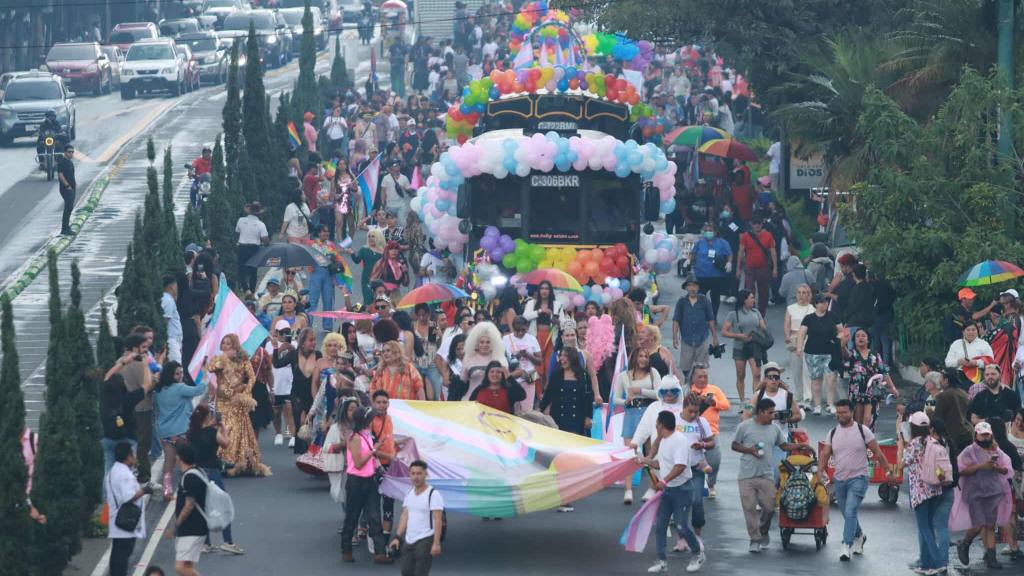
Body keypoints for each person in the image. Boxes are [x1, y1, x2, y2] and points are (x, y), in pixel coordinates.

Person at [819, 399, 894, 561]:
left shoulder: (863, 431)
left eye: (844, 412)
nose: (840, 415)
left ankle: (846, 544)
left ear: (852, 412)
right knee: (848, 514)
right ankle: (859, 535)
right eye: (838, 413)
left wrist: (888, 471)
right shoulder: (832, 433)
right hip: (839, 480)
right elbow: (825, 455)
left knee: (850, 510)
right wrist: (819, 473)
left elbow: (878, 452)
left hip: (859, 478)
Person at [731, 398, 806, 553]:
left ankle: (763, 531)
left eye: (774, 412)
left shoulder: (775, 429)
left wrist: (800, 445)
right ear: (760, 412)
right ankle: (754, 539)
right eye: (770, 413)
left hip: (766, 475)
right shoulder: (744, 427)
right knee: (749, 508)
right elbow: (734, 445)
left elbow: (783, 445)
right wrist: (750, 450)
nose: (773, 416)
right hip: (746, 475)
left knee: (769, 507)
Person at [641, 411, 706, 574]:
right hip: (668, 490)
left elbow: (680, 466)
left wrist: (663, 481)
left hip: (682, 490)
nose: (655, 426)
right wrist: (646, 461)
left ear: (661, 425)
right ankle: (662, 561)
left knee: (681, 525)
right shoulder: (663, 440)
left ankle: (698, 554)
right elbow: (662, 463)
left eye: (657, 424)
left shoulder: (679, 441)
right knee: (661, 526)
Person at [953, 421, 1015, 570]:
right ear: (976, 435)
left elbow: (1007, 468)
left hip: (993, 492)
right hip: (975, 493)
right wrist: (981, 466)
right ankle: (965, 543)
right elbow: (960, 470)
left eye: (987, 435)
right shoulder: (969, 451)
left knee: (990, 525)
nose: (985, 438)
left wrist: (998, 469)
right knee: (979, 523)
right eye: (982, 435)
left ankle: (991, 556)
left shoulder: (996, 450)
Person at [208, 334, 271, 476]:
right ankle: (221, 461)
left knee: (236, 429)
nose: (225, 346)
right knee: (223, 428)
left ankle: (236, 462)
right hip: (223, 402)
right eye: (223, 343)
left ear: (235, 346)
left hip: (237, 401)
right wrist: (224, 358)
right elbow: (210, 368)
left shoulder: (243, 360)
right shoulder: (219, 360)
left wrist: (246, 394)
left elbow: (252, 377)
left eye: (228, 344)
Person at [901, 412, 955, 575]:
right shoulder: (933, 441)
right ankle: (926, 564)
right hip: (935, 489)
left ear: (913, 427)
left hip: (920, 491)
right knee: (929, 527)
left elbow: (903, 463)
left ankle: (937, 563)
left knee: (924, 527)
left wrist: (901, 445)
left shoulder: (914, 444)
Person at [186, 404, 243, 555]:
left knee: (204, 507)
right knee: (223, 504)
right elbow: (226, 444)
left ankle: (205, 543)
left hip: (197, 473)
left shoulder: (191, 434)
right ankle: (227, 541)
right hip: (212, 472)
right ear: (207, 418)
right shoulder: (212, 432)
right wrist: (223, 427)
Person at [341, 407, 393, 565]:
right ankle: (346, 550)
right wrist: (375, 451)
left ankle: (380, 552)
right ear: (365, 421)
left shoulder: (366, 435)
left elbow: (372, 453)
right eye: (370, 418)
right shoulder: (355, 438)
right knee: (352, 516)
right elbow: (358, 463)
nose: (372, 420)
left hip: (369, 481)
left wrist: (387, 455)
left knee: (374, 516)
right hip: (356, 482)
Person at [613, 347, 662, 504]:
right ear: (634, 358)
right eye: (640, 356)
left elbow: (659, 393)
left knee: (651, 452)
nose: (643, 359)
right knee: (630, 453)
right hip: (631, 413)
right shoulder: (624, 376)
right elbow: (615, 399)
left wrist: (640, 390)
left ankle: (652, 486)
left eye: (646, 356)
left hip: (649, 412)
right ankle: (628, 490)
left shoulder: (653, 373)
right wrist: (625, 401)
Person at [153, 361, 208, 500]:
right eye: (177, 373)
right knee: (187, 460)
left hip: (164, 431)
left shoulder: (158, 391)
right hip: (181, 430)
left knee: (169, 461)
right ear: (170, 375)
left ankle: (167, 491)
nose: (180, 376)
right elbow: (198, 390)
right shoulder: (180, 388)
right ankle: (188, 487)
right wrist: (204, 376)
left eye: (181, 373)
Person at [100, 349, 155, 478]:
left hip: (108, 437)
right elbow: (146, 385)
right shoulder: (128, 399)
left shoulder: (104, 397)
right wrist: (145, 365)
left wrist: (123, 362)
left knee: (108, 469)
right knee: (127, 471)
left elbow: (107, 377)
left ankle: (108, 496)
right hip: (128, 438)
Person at [389, 460, 444, 575]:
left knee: (420, 573)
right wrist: (397, 537)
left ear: (425, 474)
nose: (416, 477)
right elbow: (405, 516)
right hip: (409, 540)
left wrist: (436, 543)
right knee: (406, 572)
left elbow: (438, 519)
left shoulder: (433, 494)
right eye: (413, 474)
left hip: (425, 539)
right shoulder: (409, 493)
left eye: (419, 473)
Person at [107, 443, 154, 576]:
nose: (135, 457)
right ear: (128, 456)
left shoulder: (114, 471)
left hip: (116, 519)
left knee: (117, 555)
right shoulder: (124, 475)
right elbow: (128, 497)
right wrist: (144, 490)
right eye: (133, 454)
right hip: (126, 521)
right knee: (122, 557)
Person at [840, 327, 900, 428]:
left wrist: (893, 388)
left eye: (863, 336)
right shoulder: (853, 353)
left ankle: (867, 440)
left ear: (868, 340)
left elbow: (884, 372)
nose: (860, 338)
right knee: (857, 420)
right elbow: (846, 356)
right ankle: (858, 440)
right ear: (854, 340)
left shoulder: (875, 355)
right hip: (856, 391)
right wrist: (842, 345)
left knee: (868, 420)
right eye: (857, 336)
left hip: (872, 391)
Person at [167, 444, 208, 576]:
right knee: (187, 565)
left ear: (179, 458)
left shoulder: (190, 477)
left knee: (180, 568)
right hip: (195, 527)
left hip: (191, 528)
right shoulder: (197, 472)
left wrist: (176, 525)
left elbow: (189, 505)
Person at [721, 289, 767, 405]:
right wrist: (738, 335)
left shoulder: (756, 312)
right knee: (740, 375)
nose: (753, 300)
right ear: (744, 300)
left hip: (754, 347)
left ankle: (755, 401)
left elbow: (763, 327)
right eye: (751, 298)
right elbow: (724, 332)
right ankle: (742, 400)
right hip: (740, 347)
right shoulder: (733, 314)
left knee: (756, 374)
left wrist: (761, 332)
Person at [671, 274, 718, 385]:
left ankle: (701, 388)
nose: (692, 288)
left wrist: (715, 337)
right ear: (686, 288)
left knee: (702, 367)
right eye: (690, 285)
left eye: (694, 286)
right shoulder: (681, 302)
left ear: (698, 287)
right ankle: (689, 385)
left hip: (702, 338)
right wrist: (674, 337)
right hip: (686, 338)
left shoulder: (704, 301)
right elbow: (676, 320)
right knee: (685, 367)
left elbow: (711, 319)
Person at [541, 347, 594, 445]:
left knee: (573, 445)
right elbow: (548, 395)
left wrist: (588, 417)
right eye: (561, 356)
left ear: (572, 357)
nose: (562, 358)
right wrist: (540, 410)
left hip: (576, 418)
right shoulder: (556, 375)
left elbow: (588, 398)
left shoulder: (584, 375)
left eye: (565, 355)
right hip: (558, 417)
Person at [523, 280, 563, 386]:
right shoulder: (531, 303)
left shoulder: (557, 305)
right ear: (538, 290)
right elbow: (525, 316)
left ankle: (547, 392)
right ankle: (536, 393)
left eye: (547, 288)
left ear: (550, 291)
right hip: (535, 337)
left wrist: (551, 315)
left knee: (549, 366)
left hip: (550, 338)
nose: (544, 291)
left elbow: (562, 324)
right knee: (537, 366)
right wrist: (539, 311)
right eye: (542, 288)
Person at [689, 221, 732, 318]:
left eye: (710, 230)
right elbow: (693, 253)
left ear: (716, 232)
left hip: (716, 275)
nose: (708, 232)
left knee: (715, 297)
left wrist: (729, 263)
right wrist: (688, 262)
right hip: (701, 274)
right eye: (706, 230)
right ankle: (701, 315)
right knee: (700, 296)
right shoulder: (700, 242)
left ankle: (713, 317)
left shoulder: (722, 242)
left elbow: (729, 254)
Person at [736, 217, 777, 316]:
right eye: (755, 223)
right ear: (751, 224)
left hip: (764, 268)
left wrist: (775, 268)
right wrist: (738, 268)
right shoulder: (746, 236)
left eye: (759, 223)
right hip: (750, 268)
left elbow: (773, 252)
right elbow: (740, 252)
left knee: (764, 293)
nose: (757, 225)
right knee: (748, 292)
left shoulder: (768, 235)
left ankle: (761, 315)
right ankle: (751, 313)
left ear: (762, 224)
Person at [783, 284, 815, 409]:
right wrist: (787, 336)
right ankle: (799, 396)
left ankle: (808, 397)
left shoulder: (812, 309)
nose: (801, 295)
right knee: (796, 369)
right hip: (794, 339)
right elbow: (787, 323)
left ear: (809, 295)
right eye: (799, 292)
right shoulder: (791, 308)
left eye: (804, 293)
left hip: (808, 339)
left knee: (807, 370)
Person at [459, 321, 507, 398]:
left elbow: (506, 379)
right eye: (482, 342)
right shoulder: (468, 357)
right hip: (472, 399)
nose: (485, 345)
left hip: (494, 399)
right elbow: (463, 380)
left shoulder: (498, 357)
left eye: (488, 342)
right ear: (476, 343)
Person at [502, 316, 542, 409]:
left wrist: (528, 355)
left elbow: (540, 361)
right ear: (512, 327)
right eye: (517, 330)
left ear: (527, 327)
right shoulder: (505, 339)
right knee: (512, 410)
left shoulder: (532, 339)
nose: (520, 333)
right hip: (513, 380)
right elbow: (502, 360)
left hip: (530, 378)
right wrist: (516, 357)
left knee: (527, 411)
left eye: (523, 330)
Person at [934, 368, 974, 458]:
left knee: (954, 465)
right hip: (968, 433)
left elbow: (937, 419)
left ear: (946, 380)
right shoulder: (964, 394)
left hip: (952, 437)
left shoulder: (942, 396)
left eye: (940, 378)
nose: (939, 380)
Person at [945, 322, 994, 389]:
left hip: (977, 377)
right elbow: (947, 363)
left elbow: (991, 362)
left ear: (977, 331)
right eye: (968, 330)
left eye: (973, 330)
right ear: (963, 331)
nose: (971, 332)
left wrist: (975, 363)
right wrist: (959, 361)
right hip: (958, 378)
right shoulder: (956, 344)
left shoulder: (984, 344)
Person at [235, 202, 269, 294]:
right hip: (254, 248)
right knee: (253, 272)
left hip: (242, 247)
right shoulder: (261, 224)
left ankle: (246, 289)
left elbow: (237, 233)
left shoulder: (240, 220)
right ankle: (252, 292)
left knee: (241, 270)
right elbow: (265, 240)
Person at [161, 275, 184, 364]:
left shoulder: (167, 299)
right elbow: (165, 321)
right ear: (172, 287)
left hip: (174, 340)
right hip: (171, 339)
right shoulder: (168, 300)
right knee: (176, 365)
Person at [56, 144, 77, 235]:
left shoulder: (70, 162)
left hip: (72, 188)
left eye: (72, 152)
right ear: (65, 152)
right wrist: (67, 185)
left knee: (70, 208)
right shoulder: (62, 162)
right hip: (66, 189)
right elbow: (60, 175)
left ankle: (66, 227)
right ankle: (65, 228)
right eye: (69, 152)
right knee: (68, 208)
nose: (71, 153)